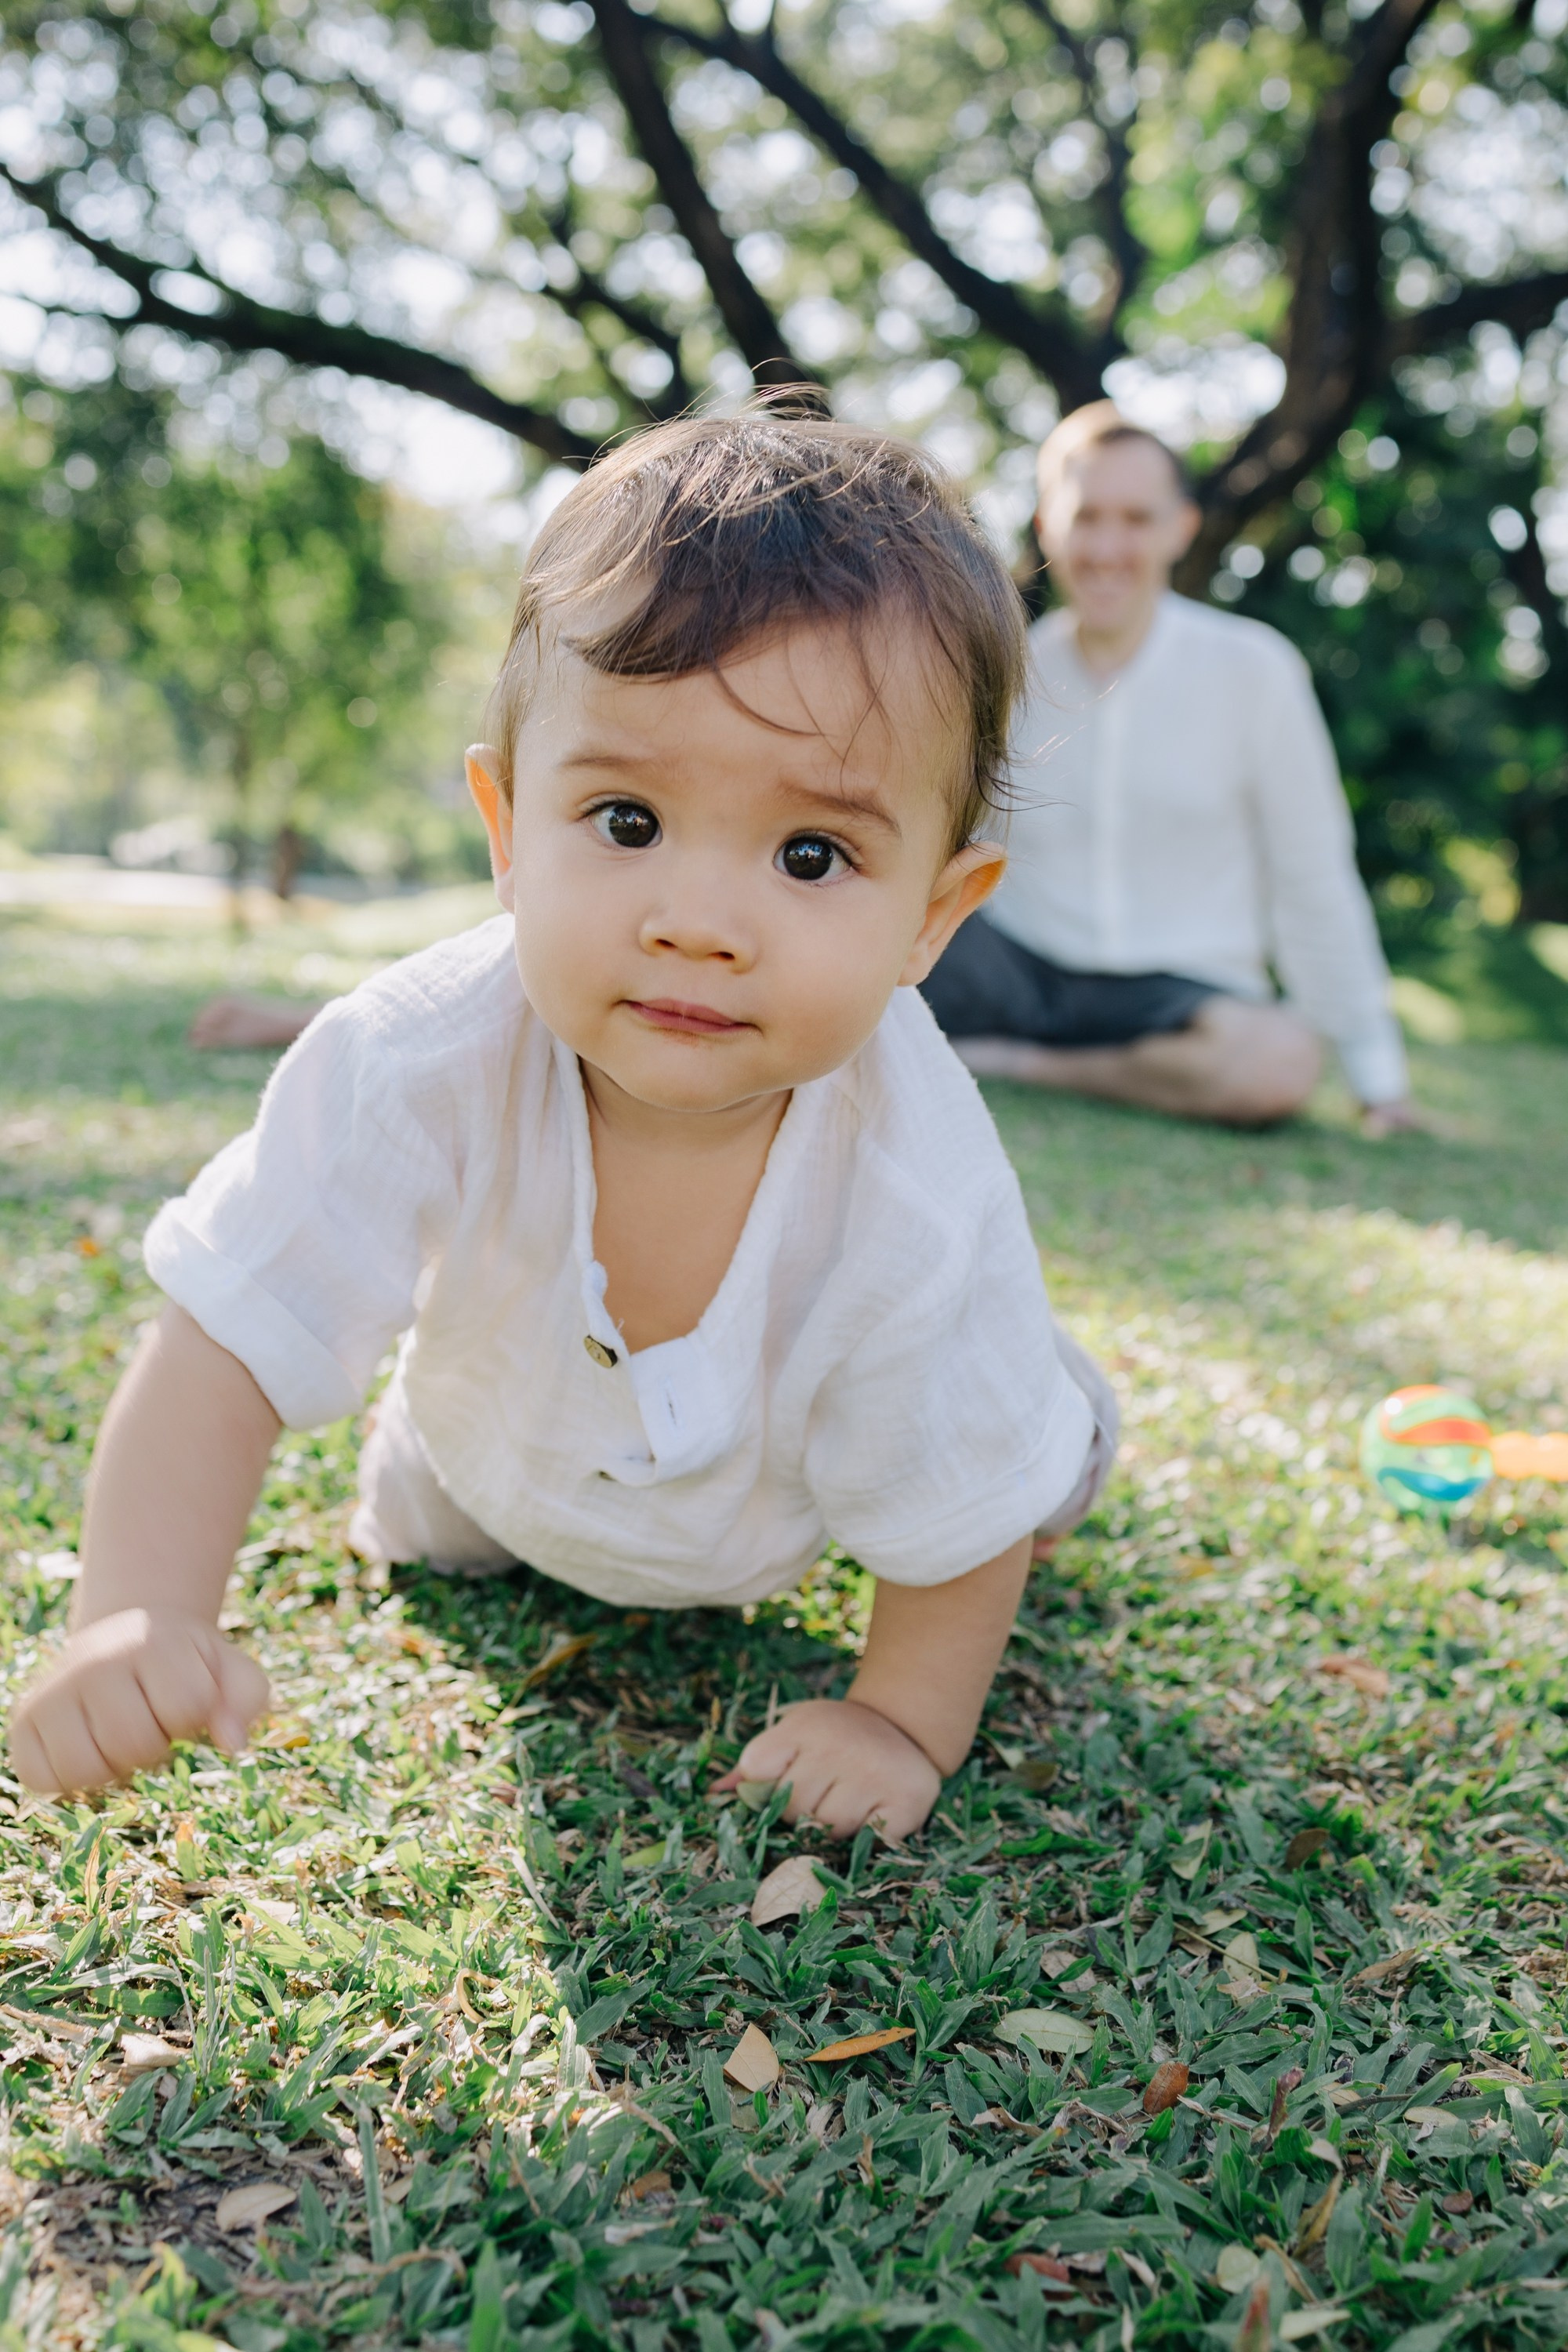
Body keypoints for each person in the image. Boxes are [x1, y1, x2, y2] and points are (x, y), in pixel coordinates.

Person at [8, 410, 1118, 1842]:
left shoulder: (921, 1182)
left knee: (1010, 1454)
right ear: (507, 827)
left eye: (810, 854)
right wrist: (141, 1612)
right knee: (436, 1522)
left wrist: (898, 1718)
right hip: (474, 1472)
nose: (698, 922)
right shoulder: (415, 1054)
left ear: (933, 917)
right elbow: (226, 1331)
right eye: (628, 822)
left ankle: (1070, 1417)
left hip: (767, 1517)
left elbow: (960, 1498)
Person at [920, 403, 1415, 1135]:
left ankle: (1016, 1064)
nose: (1107, 547)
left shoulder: (1257, 670)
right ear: (1047, 525)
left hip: (1180, 992)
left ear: (1181, 527)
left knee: (1280, 1061)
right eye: (1086, 517)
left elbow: (1312, 876)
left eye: (1136, 519)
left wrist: (1378, 1078)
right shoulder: (1006, 671)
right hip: (1019, 970)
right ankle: (1032, 1053)